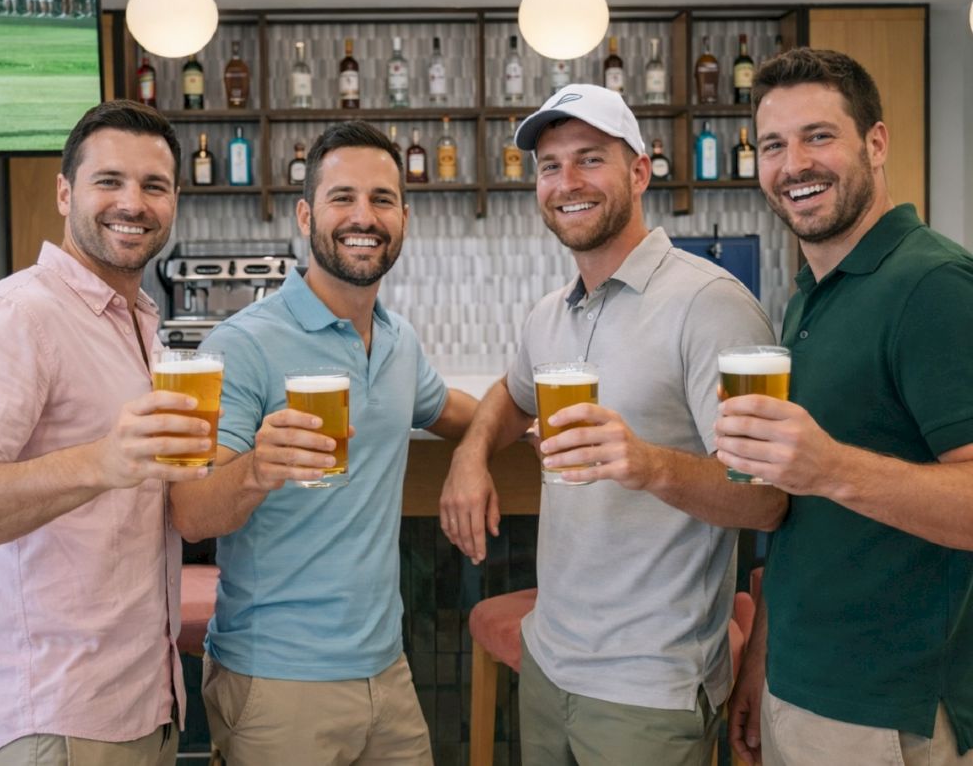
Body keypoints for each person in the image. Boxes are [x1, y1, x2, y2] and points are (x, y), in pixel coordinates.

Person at [440, 85, 787, 766]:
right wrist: (470, 455)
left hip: (650, 685)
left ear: (638, 171)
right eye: (549, 165)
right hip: (548, 660)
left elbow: (766, 500)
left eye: (589, 159)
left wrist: (646, 462)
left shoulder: (709, 305)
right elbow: (510, 397)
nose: (566, 182)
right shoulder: (551, 312)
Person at [168, 120, 478, 766]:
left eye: (382, 199)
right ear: (307, 214)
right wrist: (259, 468)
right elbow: (192, 512)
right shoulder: (242, 344)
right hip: (277, 682)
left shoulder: (398, 340)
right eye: (342, 198)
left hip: (386, 670)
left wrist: (493, 444)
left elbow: (451, 410)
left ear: (404, 217)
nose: (363, 216)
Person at [0, 100, 203, 766]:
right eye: (109, 181)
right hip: (52, 718)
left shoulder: (137, 320)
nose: (134, 202)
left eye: (154, 186)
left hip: (141, 699)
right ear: (65, 192)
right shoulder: (16, 316)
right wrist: (100, 461)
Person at [719, 48, 973, 766]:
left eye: (818, 136)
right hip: (802, 687)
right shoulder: (811, 295)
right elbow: (806, 528)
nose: (794, 163)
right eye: (773, 145)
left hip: (888, 710)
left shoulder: (934, 286)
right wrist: (764, 658)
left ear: (876, 142)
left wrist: (828, 466)